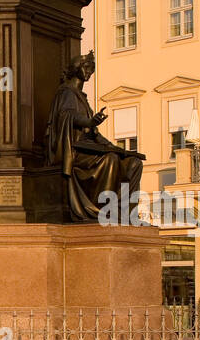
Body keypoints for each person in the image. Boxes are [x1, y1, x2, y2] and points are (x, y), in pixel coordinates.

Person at [45, 51, 145, 221]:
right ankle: (104, 210)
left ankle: (124, 213)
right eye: (85, 67)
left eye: (91, 68)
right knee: (110, 160)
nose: (89, 71)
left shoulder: (82, 98)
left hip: (90, 149)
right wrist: (90, 122)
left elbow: (94, 134)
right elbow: (67, 116)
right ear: (75, 68)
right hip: (74, 150)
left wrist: (114, 147)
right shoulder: (67, 92)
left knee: (134, 164)